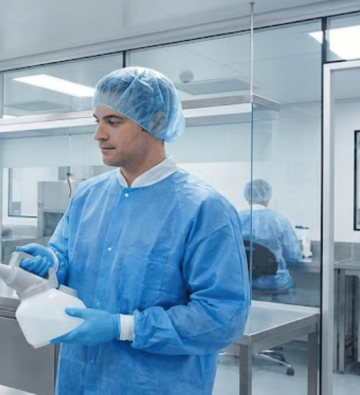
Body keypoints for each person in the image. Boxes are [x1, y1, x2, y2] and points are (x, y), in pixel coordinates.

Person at [14, 67, 250, 395]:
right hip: (78, 379)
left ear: (155, 122)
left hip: (157, 384)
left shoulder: (204, 208)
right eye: (96, 121)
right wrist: (49, 267)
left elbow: (222, 317)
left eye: (113, 122)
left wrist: (122, 326)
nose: (98, 134)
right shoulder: (87, 196)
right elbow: (66, 260)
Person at [239, 179, 301, 302]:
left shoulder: (237, 219)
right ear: (268, 197)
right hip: (275, 282)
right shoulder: (278, 220)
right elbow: (294, 255)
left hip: (244, 282)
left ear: (246, 197)